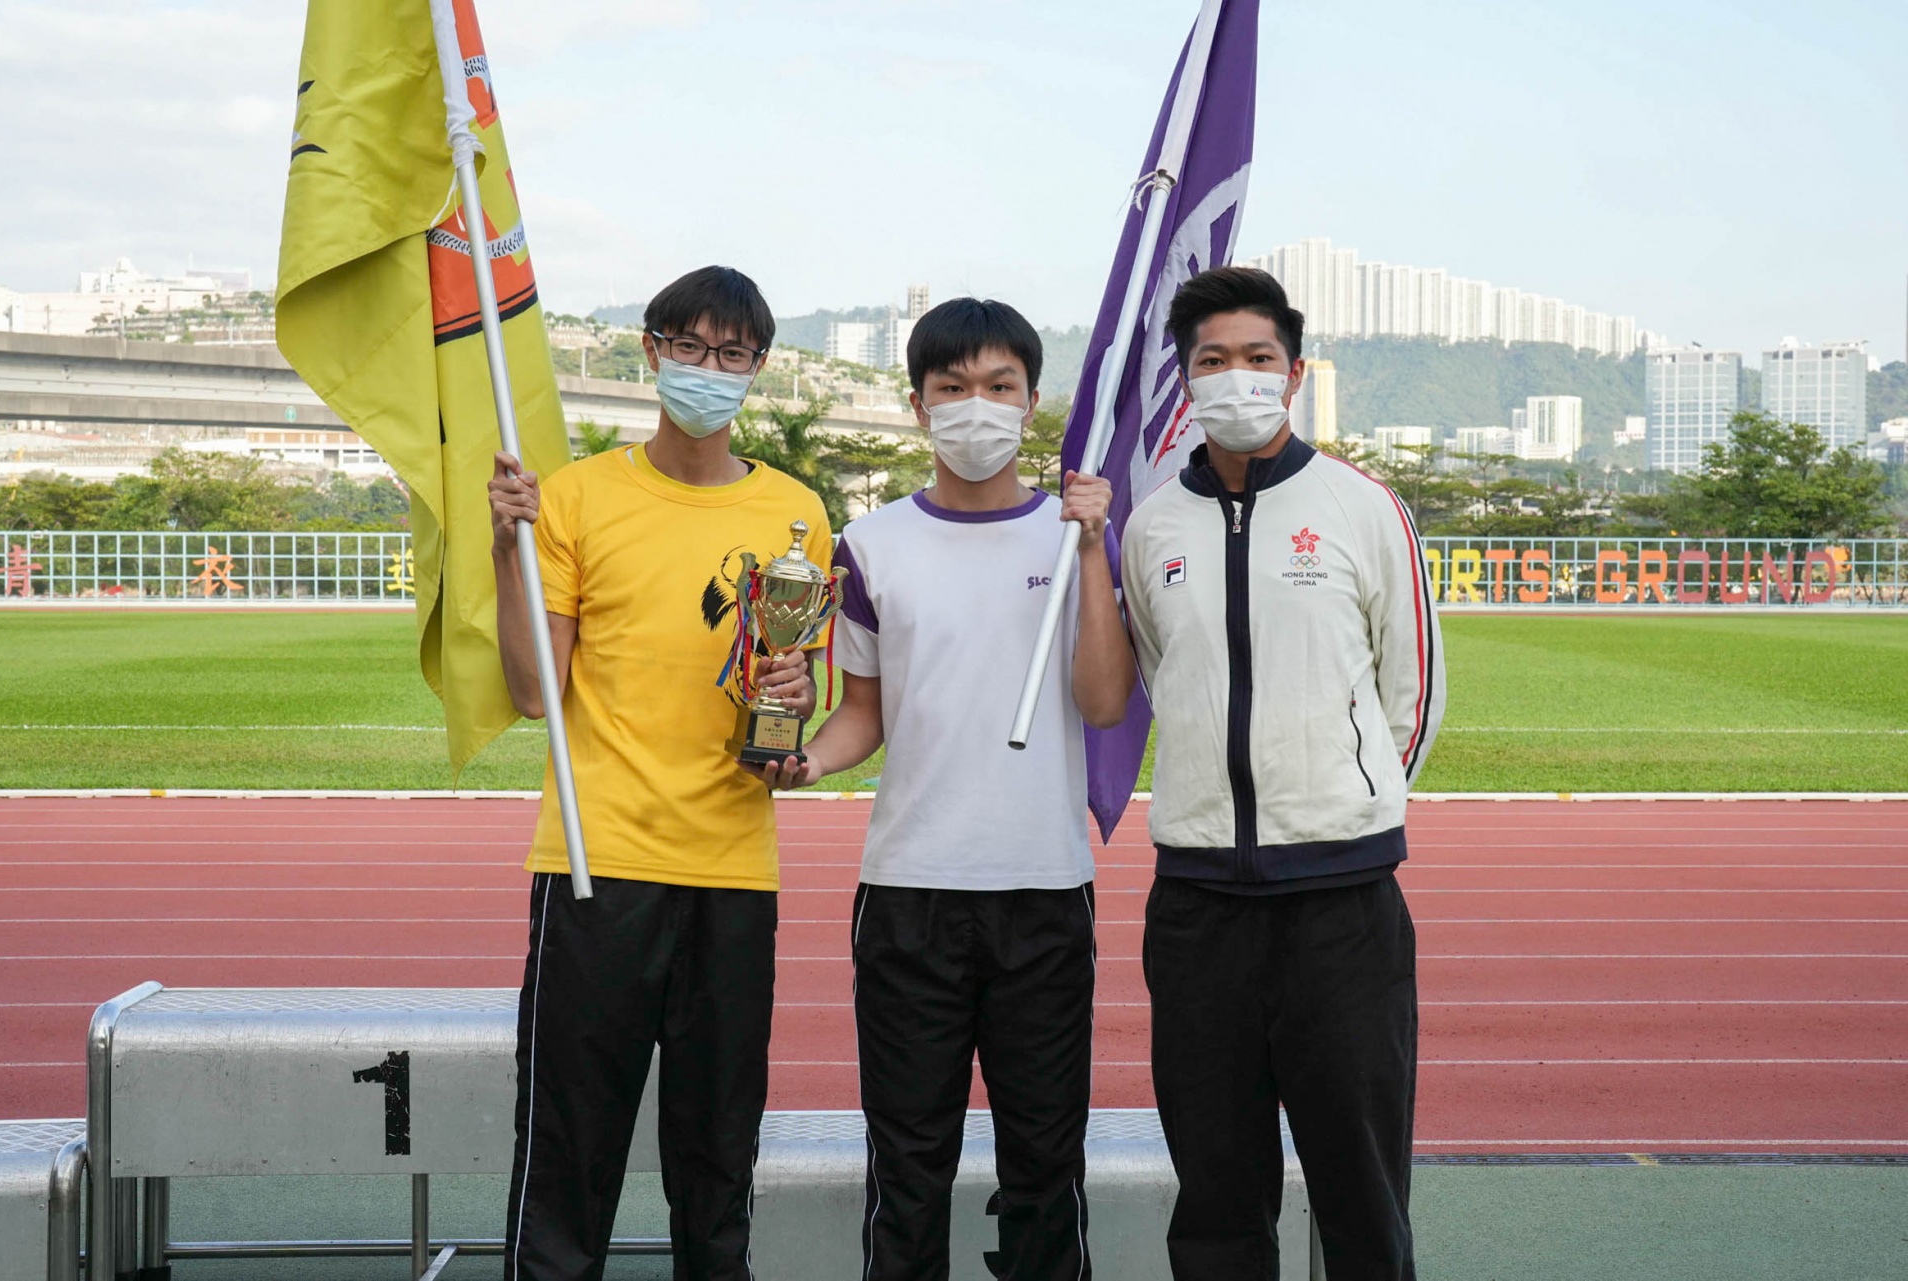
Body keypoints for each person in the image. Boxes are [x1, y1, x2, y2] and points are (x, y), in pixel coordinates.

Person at [761, 297, 1136, 1279]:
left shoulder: (1073, 536)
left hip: (1042, 891)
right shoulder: (871, 545)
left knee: (1045, 1165)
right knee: (908, 1166)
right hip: (910, 895)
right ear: (919, 406)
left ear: (1031, 401)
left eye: (999, 386)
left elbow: (1105, 702)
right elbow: (864, 713)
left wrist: (1089, 548)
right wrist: (808, 760)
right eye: (954, 387)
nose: (978, 406)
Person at [487, 265, 832, 1280]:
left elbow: (798, 689)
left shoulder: (797, 512)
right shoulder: (576, 498)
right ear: (651, 350)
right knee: (570, 1145)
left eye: (732, 354)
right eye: (689, 347)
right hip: (599, 860)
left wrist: (793, 692)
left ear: (758, 367)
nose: (708, 370)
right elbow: (533, 692)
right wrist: (507, 551)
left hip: (733, 867)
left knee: (718, 1152)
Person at [1120, 266, 1446, 1280]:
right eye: (1214, 361)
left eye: (1258, 358)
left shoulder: (1362, 507)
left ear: (1294, 373)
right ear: (1187, 381)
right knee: (1216, 1202)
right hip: (1198, 908)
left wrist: (1352, 803)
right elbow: (1161, 677)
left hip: (1341, 906)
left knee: (1362, 1193)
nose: (1238, 378)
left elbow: (1412, 689)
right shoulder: (1150, 527)